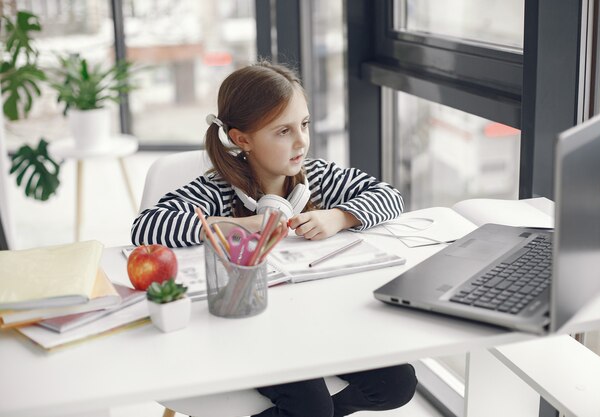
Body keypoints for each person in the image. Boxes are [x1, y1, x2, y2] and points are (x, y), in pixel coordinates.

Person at [131, 61, 417, 417]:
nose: (301, 141)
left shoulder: (317, 177)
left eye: (304, 124)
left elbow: (390, 197)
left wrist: (339, 216)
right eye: (283, 131)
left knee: (398, 384)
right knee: (311, 407)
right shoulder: (216, 189)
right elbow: (147, 228)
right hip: (245, 331)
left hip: (312, 321)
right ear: (242, 139)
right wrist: (240, 226)